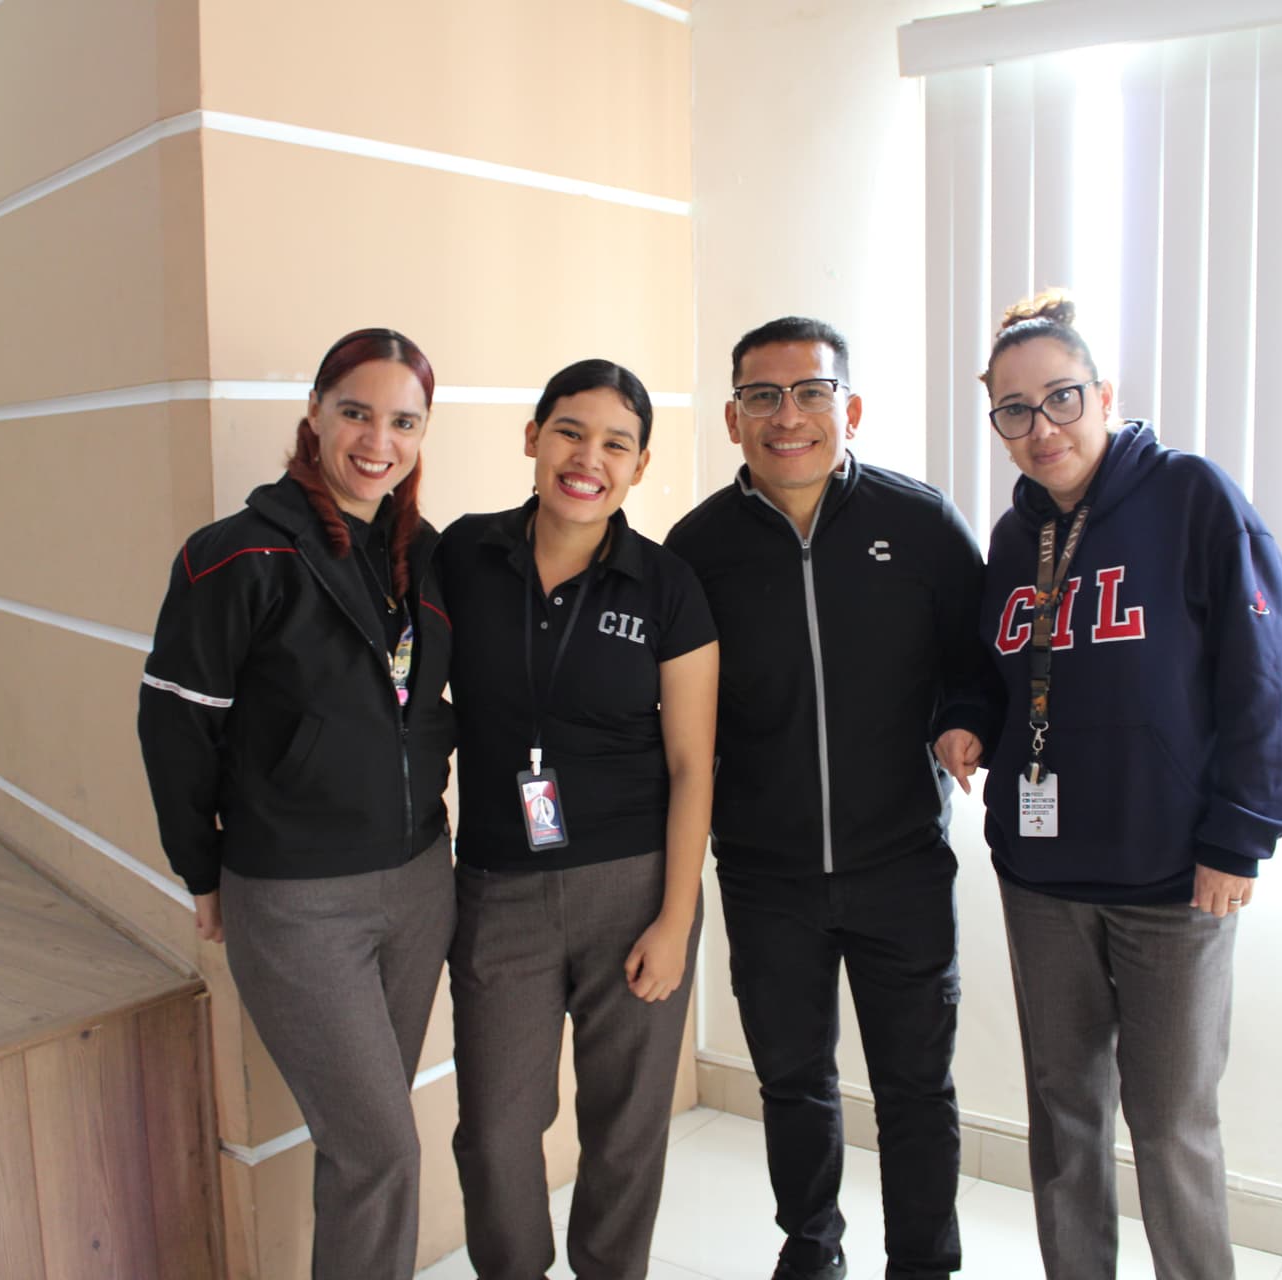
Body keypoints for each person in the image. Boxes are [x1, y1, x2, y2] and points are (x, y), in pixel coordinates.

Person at [976, 289, 1282, 1278]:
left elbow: (1270, 675)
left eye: (1062, 398)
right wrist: (959, 717)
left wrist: (1239, 836)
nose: (1041, 427)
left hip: (1173, 878)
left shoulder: (1192, 497)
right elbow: (986, 669)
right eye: (1014, 409)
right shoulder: (1013, 537)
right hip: (1042, 874)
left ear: (1105, 393)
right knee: (1064, 1112)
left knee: (1170, 1125)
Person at [666, 318, 1000, 1280]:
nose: (787, 416)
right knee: (794, 1084)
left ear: (848, 409)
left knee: (915, 1091)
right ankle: (811, 1253)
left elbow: (974, 668)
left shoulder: (923, 526)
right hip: (767, 877)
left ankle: (923, 1265)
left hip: (900, 863)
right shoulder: (697, 550)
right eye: (762, 396)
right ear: (734, 418)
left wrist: (961, 721)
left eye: (810, 393)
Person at [136, 328, 455, 1280]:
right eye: (356, 411)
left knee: (366, 1143)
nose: (377, 441)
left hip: (418, 885)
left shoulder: (425, 561)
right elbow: (175, 731)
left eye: (403, 421)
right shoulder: (233, 558)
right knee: (382, 1152)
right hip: (297, 898)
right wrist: (201, 873)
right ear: (313, 415)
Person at [436, 358, 719, 1280]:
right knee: (494, 1132)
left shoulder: (666, 585)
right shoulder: (462, 558)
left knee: (625, 1130)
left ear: (638, 467)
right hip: (496, 891)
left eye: (615, 444)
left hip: (632, 889)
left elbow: (691, 764)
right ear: (531, 437)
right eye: (569, 431)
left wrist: (676, 919)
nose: (587, 458)